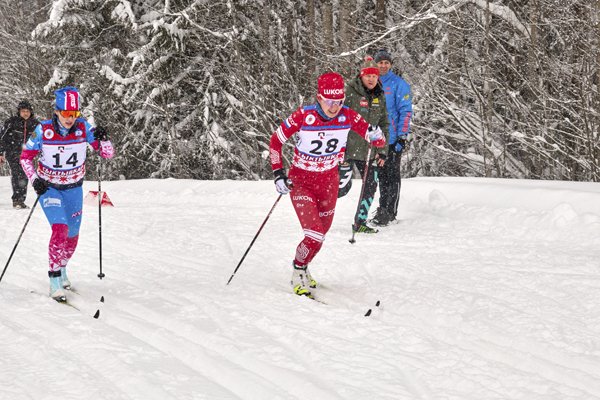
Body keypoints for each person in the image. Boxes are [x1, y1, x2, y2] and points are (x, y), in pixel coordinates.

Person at [269, 72, 386, 297]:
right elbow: (275, 142)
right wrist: (278, 174)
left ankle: (304, 266)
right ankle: (297, 269)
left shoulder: (348, 116)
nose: (334, 107)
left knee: (321, 233)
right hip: (302, 182)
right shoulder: (304, 116)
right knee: (314, 233)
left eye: (339, 101)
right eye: (330, 101)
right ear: (320, 97)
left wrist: (376, 135)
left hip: (329, 183)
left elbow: (376, 140)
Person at [20, 86, 115, 302]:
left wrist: (104, 138)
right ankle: (54, 279)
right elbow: (25, 157)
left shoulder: (83, 128)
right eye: (66, 114)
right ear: (57, 111)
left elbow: (107, 154)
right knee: (60, 228)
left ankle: (62, 268)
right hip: (50, 188)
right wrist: (35, 181)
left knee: (72, 236)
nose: (70, 118)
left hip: (73, 189)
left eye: (74, 114)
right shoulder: (44, 130)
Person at [340, 56, 389, 234]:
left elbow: (384, 124)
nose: (371, 79)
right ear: (361, 76)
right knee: (340, 188)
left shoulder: (380, 95)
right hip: (347, 148)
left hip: (369, 150)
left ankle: (359, 222)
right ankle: (320, 215)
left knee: (370, 186)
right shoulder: (350, 92)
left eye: (374, 76)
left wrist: (382, 151)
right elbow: (337, 117)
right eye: (368, 76)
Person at [372, 49, 413, 226]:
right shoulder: (370, 82)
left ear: (390, 64)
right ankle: (382, 210)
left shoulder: (398, 84)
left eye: (386, 63)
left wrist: (402, 136)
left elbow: (405, 111)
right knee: (380, 177)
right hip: (375, 139)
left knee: (392, 176)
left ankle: (390, 212)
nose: (383, 65)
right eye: (380, 62)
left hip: (393, 139)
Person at [0, 100, 40, 209]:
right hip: (13, 152)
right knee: (17, 174)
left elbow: (41, 139)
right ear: (19, 112)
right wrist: (1, 153)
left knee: (24, 175)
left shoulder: (36, 124)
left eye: (27, 111)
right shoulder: (11, 122)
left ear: (31, 112)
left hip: (27, 155)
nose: (25, 113)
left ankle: (21, 200)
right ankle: (17, 200)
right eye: (23, 111)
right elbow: (2, 138)